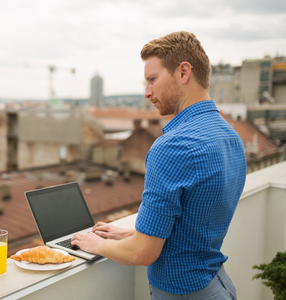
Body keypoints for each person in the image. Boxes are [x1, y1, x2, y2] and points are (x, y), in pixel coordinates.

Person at [71, 31, 246, 299]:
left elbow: (143, 253)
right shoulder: (229, 135)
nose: (146, 92)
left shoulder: (172, 147)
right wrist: (134, 233)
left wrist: (96, 244)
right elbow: (195, 222)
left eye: (153, 79)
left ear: (183, 72)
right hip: (218, 285)